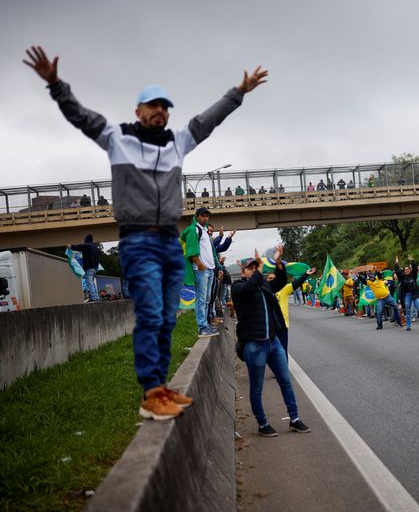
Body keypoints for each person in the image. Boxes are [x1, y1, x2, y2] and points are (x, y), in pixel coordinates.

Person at [25, 44, 268, 420]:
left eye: (165, 106)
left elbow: (207, 121)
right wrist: (56, 84)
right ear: (138, 111)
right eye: (153, 105)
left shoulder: (177, 143)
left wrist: (239, 92)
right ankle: (151, 392)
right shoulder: (117, 138)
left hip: (169, 242)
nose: (160, 111)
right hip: (138, 242)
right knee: (151, 315)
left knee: (169, 318)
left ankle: (162, 388)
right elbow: (82, 117)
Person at [232, 247, 311, 436]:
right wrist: (259, 270)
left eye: (255, 266)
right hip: (254, 345)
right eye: (249, 268)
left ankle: (294, 419)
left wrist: (278, 263)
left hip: (273, 343)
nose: (253, 269)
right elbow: (249, 286)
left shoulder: (264, 286)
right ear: (242, 272)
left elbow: (282, 282)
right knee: (257, 387)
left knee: (286, 381)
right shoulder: (238, 288)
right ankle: (262, 424)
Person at [181, 208, 220, 337]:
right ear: (197, 216)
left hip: (209, 270)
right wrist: (199, 264)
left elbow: (211, 251)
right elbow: (191, 251)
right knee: (201, 299)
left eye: (207, 216)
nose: (205, 218)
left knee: (207, 299)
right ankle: (202, 328)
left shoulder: (204, 230)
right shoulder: (194, 230)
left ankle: (206, 324)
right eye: (203, 216)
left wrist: (213, 267)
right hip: (201, 270)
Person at [395, 255, 419, 331]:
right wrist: (396, 264)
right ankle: (408, 326)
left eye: (408, 269)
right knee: (408, 310)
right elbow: (397, 272)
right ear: (404, 271)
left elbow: (415, 269)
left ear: (410, 270)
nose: (407, 270)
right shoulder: (402, 278)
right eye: (405, 270)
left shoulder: (413, 276)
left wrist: (412, 261)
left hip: (415, 295)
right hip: (407, 295)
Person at [70, 234, 100, 302]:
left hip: (89, 267)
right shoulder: (96, 247)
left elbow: (78, 247)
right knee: (92, 282)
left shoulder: (87, 245)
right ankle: (96, 297)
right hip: (95, 267)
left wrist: (71, 246)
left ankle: (93, 297)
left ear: (86, 239)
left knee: (89, 282)